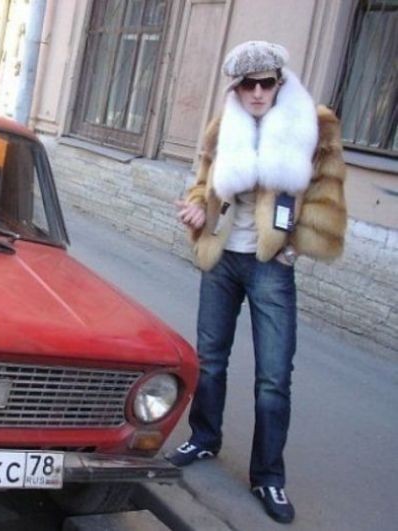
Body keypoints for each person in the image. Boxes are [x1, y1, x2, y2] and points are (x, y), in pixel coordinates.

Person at [167, 40, 347, 524]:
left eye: (266, 83)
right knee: (210, 359)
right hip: (222, 256)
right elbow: (204, 186)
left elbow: (326, 194)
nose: (258, 93)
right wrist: (197, 209)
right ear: (236, 88)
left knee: (273, 376)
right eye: (248, 85)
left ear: (279, 82)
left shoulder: (313, 123)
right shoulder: (223, 125)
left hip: (270, 264)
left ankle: (268, 475)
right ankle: (204, 438)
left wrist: (293, 248)